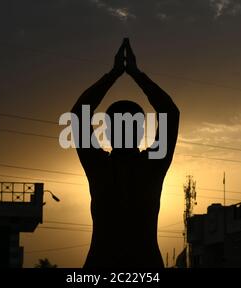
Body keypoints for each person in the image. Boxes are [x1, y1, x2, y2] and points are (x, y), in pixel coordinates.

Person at [71, 38, 179, 268]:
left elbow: (79, 114)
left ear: (106, 131)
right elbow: (169, 111)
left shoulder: (99, 166)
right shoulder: (152, 164)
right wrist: (135, 73)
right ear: (142, 130)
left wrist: (114, 73)